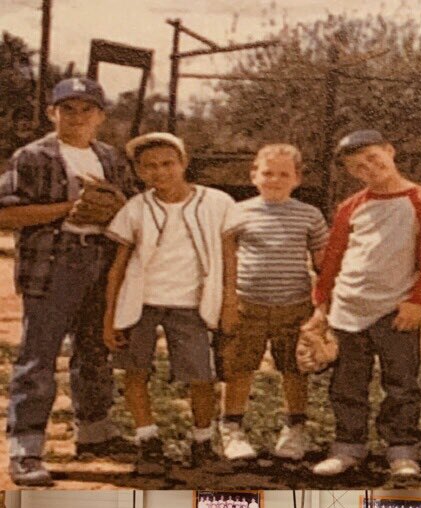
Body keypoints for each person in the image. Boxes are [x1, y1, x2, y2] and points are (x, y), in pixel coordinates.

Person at [0, 77, 133, 486]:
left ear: (101, 116)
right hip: (55, 260)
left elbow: (127, 210)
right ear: (51, 112)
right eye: (68, 108)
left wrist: (115, 209)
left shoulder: (109, 157)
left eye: (86, 109)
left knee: (95, 349)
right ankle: (26, 447)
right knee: (40, 355)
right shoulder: (33, 156)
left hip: (101, 258)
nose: (77, 117)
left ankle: (94, 432)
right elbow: (5, 215)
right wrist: (66, 209)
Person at [310, 129, 421, 480]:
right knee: (346, 383)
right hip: (348, 309)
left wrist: (418, 302)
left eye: (374, 158)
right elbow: (334, 259)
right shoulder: (351, 207)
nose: (369, 168)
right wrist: (321, 305)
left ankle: (401, 448)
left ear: (390, 150)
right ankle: (347, 446)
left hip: (395, 310)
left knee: (401, 384)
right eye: (359, 166)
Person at [104, 132, 237, 477]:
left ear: (183, 163)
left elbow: (229, 257)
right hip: (141, 303)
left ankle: (202, 442)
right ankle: (147, 441)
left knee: (202, 376)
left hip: (191, 305)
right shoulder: (137, 207)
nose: (160, 172)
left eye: (168, 163)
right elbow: (118, 267)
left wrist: (230, 300)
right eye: (149, 167)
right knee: (136, 371)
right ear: (139, 171)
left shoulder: (217, 202)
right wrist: (110, 317)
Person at [218, 144, 329, 462]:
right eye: (268, 173)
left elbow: (323, 264)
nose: (275, 180)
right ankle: (233, 429)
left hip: (294, 306)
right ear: (254, 174)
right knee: (240, 368)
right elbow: (227, 263)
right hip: (247, 305)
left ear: (297, 179)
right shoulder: (237, 212)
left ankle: (295, 430)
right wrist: (228, 303)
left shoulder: (309, 215)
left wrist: (322, 309)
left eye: (284, 174)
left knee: (294, 369)